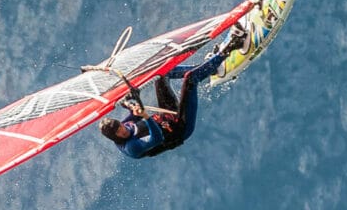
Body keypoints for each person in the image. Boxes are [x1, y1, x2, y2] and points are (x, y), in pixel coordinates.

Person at [99, 23, 250, 158]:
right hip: (180, 127)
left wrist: (132, 102)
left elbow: (133, 114)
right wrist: (145, 115)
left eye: (119, 126)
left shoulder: (125, 126)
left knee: (161, 74)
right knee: (190, 79)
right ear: (115, 138)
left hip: (166, 114)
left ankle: (211, 68)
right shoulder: (131, 147)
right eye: (119, 133)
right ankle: (233, 45)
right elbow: (156, 138)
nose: (122, 130)